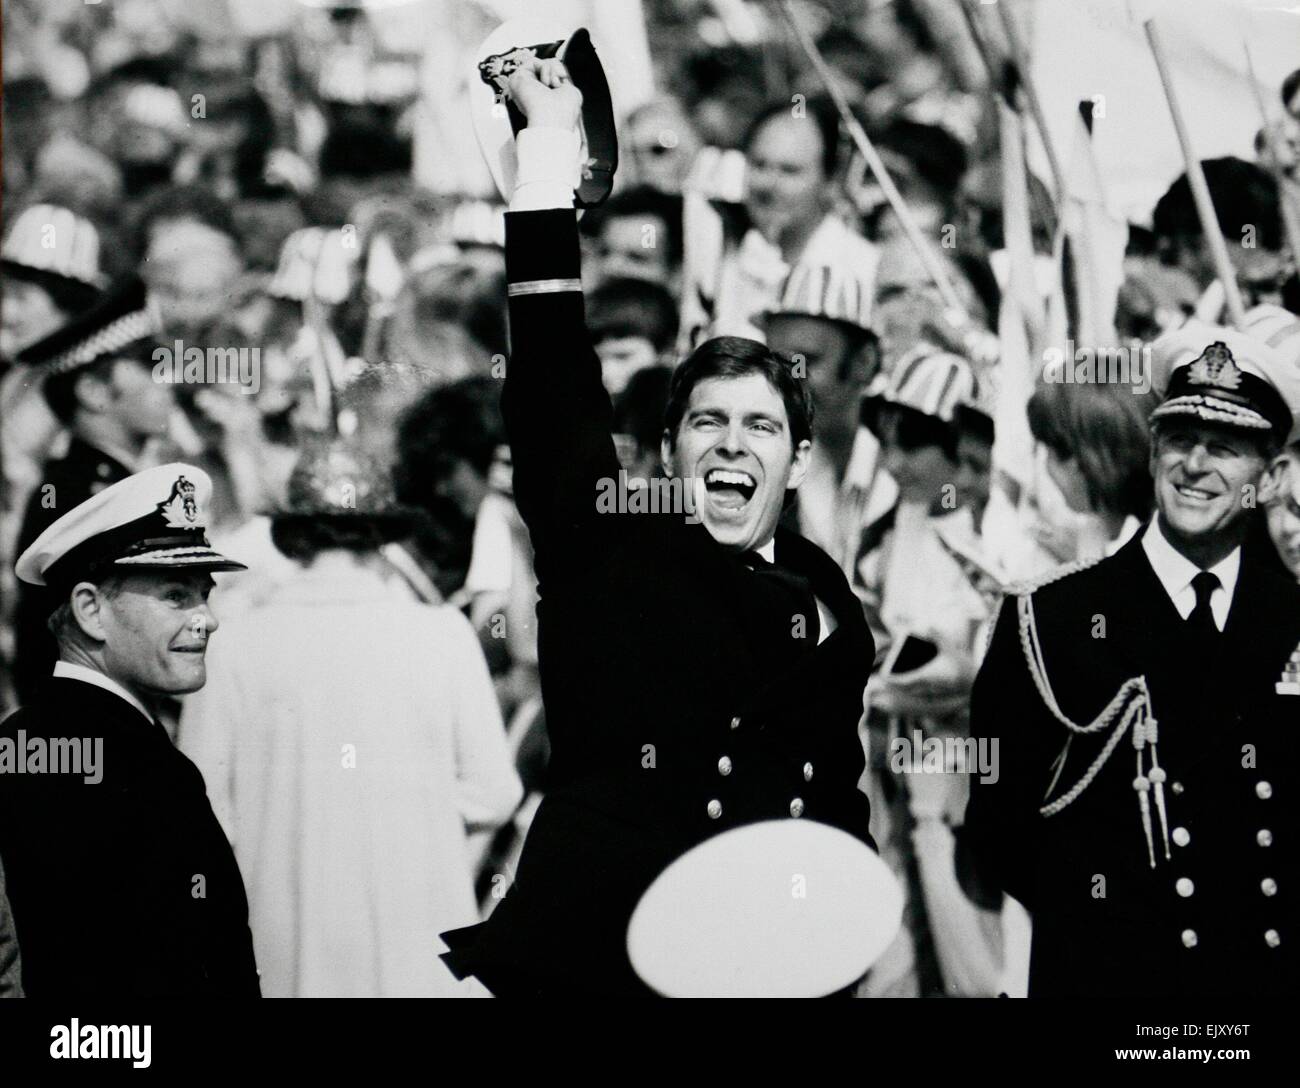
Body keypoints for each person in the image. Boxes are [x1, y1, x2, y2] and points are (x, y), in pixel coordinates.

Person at [439, 58, 876, 996]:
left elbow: (835, 815)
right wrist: (548, 161)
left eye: (761, 426)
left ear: (797, 462)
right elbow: (555, 394)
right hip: (601, 964)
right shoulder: (613, 552)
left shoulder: (834, 607)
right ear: (669, 451)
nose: (732, 445)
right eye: (707, 423)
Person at [962, 327, 1300, 998]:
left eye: (1226, 447)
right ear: (1150, 452)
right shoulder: (1046, 621)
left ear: (1266, 475)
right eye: (1179, 440)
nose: (1196, 465)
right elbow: (998, 834)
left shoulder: (1289, 615)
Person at [179, 441, 521, 997]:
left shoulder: (232, 642)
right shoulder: (440, 635)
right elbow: (494, 791)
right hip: (419, 954)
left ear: (292, 534)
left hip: (282, 952)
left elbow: (206, 813)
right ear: (385, 533)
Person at [0, 464, 260, 997]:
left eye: (204, 594)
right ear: (91, 610)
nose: (206, 619)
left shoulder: (20, 741)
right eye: (175, 595)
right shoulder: (144, 767)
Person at [11, 277, 174, 703]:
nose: (169, 379)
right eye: (150, 365)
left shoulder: (117, 486)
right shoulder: (75, 498)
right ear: (94, 391)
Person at [762, 257, 882, 574]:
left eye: (806, 363)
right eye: (778, 364)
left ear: (864, 363)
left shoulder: (909, 470)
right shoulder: (772, 470)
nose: (789, 382)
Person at [1025, 379, 1158, 562]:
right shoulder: (1100, 528)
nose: (1047, 466)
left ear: (1081, 463)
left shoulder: (1149, 549)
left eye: (1050, 452)